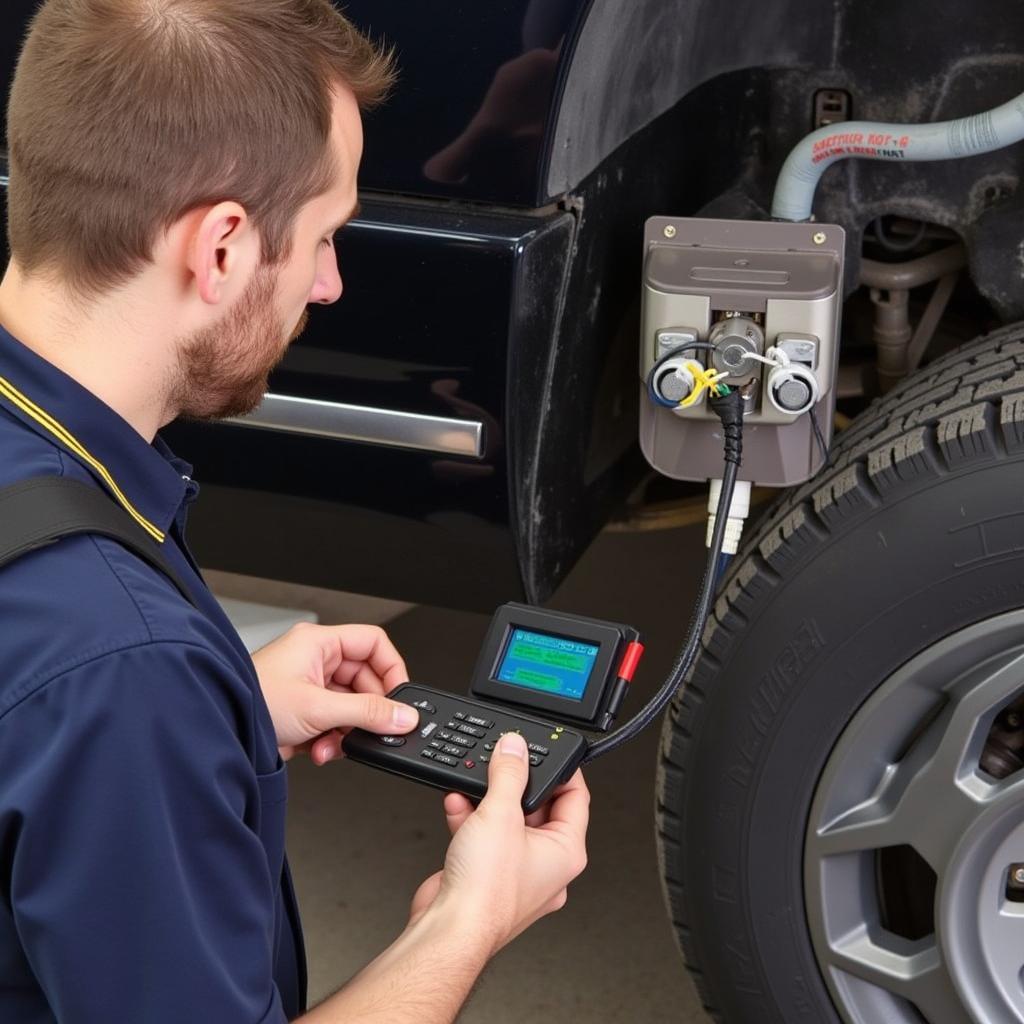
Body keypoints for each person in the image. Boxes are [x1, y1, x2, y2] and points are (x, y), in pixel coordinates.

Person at [0, 2, 590, 1022]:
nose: (329, 283)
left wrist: (220, 713)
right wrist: (467, 918)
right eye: (323, 235)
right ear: (221, 248)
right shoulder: (121, 669)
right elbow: (84, 680)